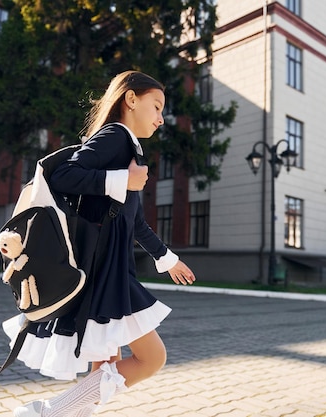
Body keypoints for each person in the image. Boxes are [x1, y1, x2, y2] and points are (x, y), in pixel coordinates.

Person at [11, 70, 196, 417]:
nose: (160, 119)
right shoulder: (115, 137)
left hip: (109, 269)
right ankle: (44, 413)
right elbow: (65, 175)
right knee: (152, 358)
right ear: (130, 100)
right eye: (156, 107)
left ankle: (57, 414)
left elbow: (135, 223)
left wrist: (168, 260)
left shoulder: (128, 150)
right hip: (105, 272)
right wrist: (123, 178)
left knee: (106, 367)